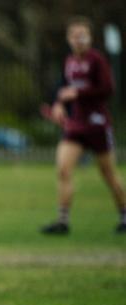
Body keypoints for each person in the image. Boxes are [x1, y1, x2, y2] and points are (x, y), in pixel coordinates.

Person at [40, 16, 126, 234]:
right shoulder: (69, 62)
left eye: (83, 36)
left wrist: (78, 93)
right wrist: (59, 104)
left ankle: (124, 215)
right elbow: (64, 90)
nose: (79, 40)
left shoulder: (96, 60)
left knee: (108, 174)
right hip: (76, 125)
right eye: (75, 36)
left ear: (90, 38)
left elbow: (107, 89)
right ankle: (63, 221)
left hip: (97, 125)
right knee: (63, 169)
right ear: (69, 39)